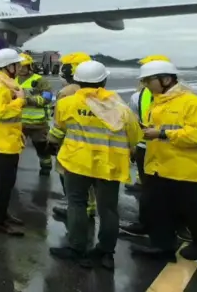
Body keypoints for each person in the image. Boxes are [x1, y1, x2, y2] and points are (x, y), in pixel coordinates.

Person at [48, 61, 142, 270]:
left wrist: (51, 144)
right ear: (104, 81)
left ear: (78, 81)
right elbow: (135, 136)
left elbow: (58, 131)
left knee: (77, 204)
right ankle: (106, 252)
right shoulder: (120, 107)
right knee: (108, 209)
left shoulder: (67, 104)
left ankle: (77, 248)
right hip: (110, 165)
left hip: (77, 162)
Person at [130, 60, 197, 262]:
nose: (144, 84)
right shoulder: (158, 103)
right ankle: (162, 247)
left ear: (166, 79)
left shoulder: (195, 104)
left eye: (148, 80)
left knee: (189, 210)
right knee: (157, 209)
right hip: (160, 167)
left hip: (188, 169)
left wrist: (162, 134)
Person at [0, 48, 32, 236]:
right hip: (1, 141)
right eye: (17, 64)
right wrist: (19, 101)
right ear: (8, 66)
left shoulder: (4, 83)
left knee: (8, 182)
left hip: (8, 139)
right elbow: (0, 112)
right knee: (3, 183)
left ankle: (2, 214)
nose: (19, 67)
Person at [51, 52, 98, 221]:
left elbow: (59, 123)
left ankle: (76, 209)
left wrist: (52, 141)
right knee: (88, 177)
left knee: (70, 179)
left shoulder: (67, 92)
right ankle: (90, 206)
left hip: (70, 143)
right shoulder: (100, 92)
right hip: (93, 143)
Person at [16, 53, 54, 176]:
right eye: (19, 66)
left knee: (42, 147)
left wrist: (28, 100)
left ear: (30, 66)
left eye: (24, 66)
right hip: (18, 123)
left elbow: (47, 98)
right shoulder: (12, 80)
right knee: (14, 149)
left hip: (38, 123)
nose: (21, 69)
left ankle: (46, 166)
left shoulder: (40, 81)